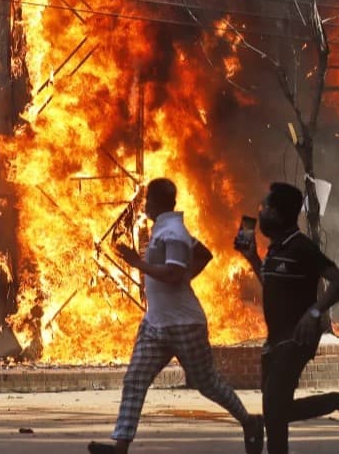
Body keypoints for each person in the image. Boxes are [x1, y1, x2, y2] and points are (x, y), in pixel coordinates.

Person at [89, 178, 264, 454]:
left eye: (147, 200)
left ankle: (249, 422)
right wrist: (186, 276)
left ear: (158, 202)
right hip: (156, 323)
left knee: (208, 384)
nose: (144, 205)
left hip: (185, 325)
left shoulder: (173, 233)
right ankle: (120, 446)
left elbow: (171, 275)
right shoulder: (165, 228)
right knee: (135, 380)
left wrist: (139, 263)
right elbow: (203, 255)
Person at [235, 182, 339, 454]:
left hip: (297, 338)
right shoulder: (274, 250)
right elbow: (272, 284)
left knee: (273, 410)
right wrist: (253, 259)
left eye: (267, 208)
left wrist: (314, 312)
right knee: (276, 412)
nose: (261, 214)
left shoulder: (301, 248)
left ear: (281, 214)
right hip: (275, 340)